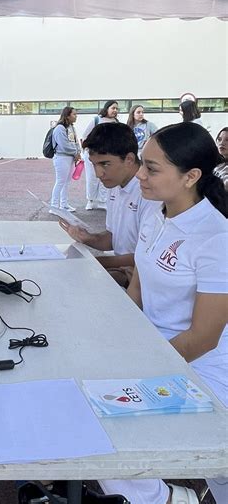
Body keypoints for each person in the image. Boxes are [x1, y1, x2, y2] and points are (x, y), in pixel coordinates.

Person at [99, 122, 228, 504]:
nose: (139, 174)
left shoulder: (216, 239)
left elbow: (203, 338)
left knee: (100, 424)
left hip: (200, 371)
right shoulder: (157, 215)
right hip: (156, 353)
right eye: (142, 163)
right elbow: (137, 290)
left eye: (152, 169)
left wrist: (140, 366)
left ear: (191, 176)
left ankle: (169, 499)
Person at [59, 123, 159, 287]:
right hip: (125, 273)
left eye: (105, 164)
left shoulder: (150, 194)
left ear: (129, 159)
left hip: (142, 282)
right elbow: (113, 238)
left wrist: (94, 262)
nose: (99, 174)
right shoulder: (115, 185)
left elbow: (147, 257)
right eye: (94, 164)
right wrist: (88, 238)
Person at [81, 100, 119, 211]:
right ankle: (90, 200)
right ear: (107, 108)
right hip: (93, 154)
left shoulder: (116, 122)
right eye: (113, 108)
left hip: (108, 155)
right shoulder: (96, 120)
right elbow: (85, 136)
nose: (115, 110)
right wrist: (87, 150)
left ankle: (103, 201)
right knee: (92, 178)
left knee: (105, 177)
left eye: (117, 108)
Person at [49, 106, 81, 213]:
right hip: (62, 158)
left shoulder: (71, 127)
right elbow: (64, 145)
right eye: (74, 114)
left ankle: (64, 204)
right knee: (60, 181)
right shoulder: (59, 128)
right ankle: (54, 206)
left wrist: (78, 152)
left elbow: (76, 142)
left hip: (70, 158)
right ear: (67, 115)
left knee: (66, 182)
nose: (76, 116)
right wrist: (75, 153)